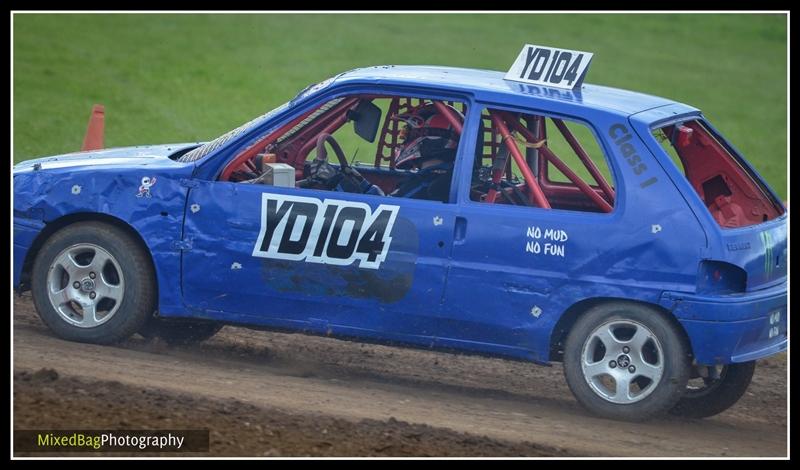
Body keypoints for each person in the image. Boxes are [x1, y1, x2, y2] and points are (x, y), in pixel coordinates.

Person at [390, 104, 462, 202]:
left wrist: (366, 187)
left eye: (407, 134)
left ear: (431, 138)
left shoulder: (425, 183)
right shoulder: (449, 179)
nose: (404, 141)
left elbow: (385, 207)